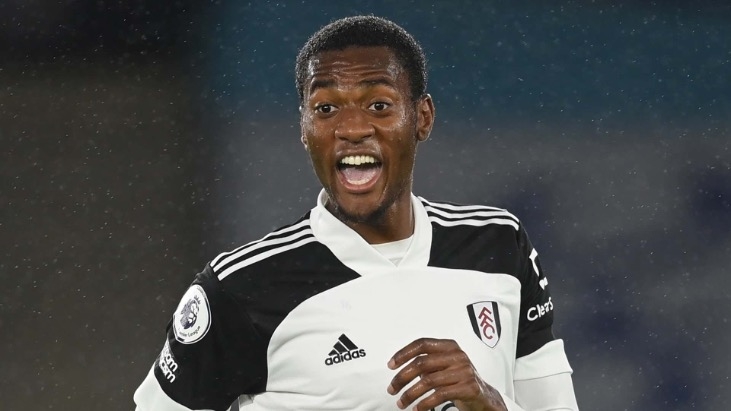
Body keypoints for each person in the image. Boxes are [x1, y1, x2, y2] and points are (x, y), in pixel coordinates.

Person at [134, 15, 579, 411]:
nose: (351, 128)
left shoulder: (499, 244)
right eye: (326, 108)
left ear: (422, 118)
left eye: (378, 105)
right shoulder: (240, 286)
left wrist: (491, 406)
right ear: (304, 128)